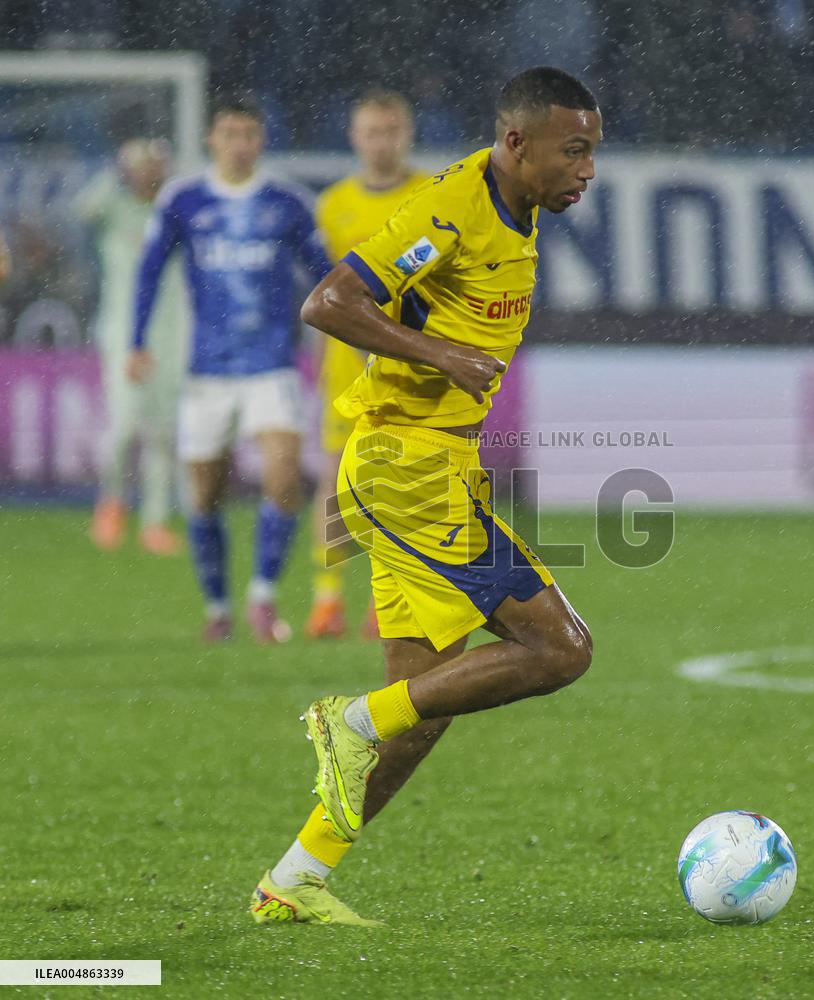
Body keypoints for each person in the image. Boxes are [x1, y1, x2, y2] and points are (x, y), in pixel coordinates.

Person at [250, 66, 601, 925]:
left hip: (435, 463)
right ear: (516, 143)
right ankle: (352, 722)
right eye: (574, 150)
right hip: (404, 471)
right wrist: (439, 354)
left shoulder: (516, 209)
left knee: (431, 704)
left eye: (594, 151)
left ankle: (292, 881)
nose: (587, 170)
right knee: (561, 650)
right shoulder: (448, 211)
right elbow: (328, 301)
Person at [128, 94, 331, 643]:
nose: (239, 144)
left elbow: (327, 274)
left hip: (272, 365)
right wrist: (136, 341)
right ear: (210, 140)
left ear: (261, 139)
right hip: (208, 371)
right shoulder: (183, 199)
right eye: (229, 134)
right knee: (203, 496)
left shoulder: (287, 201)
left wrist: (351, 330)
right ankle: (218, 609)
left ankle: (263, 598)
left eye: (248, 134)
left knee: (285, 478)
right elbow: (149, 271)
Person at [306, 90, 428, 641]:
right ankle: (326, 599)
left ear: (408, 133)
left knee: (399, 484)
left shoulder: (431, 196)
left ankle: (391, 600)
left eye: (392, 130)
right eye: (372, 132)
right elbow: (321, 292)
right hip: (344, 367)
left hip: (410, 362)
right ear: (354, 138)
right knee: (336, 482)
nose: (383, 142)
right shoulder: (332, 206)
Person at [75, 139, 188, 555]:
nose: (147, 172)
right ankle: (111, 502)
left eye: (153, 166)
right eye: (139, 167)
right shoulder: (115, 210)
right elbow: (81, 209)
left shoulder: (173, 215)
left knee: (162, 433)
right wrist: (114, 167)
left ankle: (155, 521)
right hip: (122, 337)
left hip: (171, 336)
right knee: (123, 429)